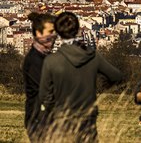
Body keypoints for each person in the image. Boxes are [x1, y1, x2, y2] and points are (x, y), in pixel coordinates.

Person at [39, 12, 124, 142]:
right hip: (87, 117)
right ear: (78, 30)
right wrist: (105, 88)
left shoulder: (52, 61)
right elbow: (116, 76)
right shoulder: (93, 56)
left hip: (61, 117)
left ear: (57, 32)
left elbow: (44, 95)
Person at [23, 12, 57, 142]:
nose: (54, 36)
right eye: (51, 32)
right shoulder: (34, 61)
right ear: (38, 33)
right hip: (40, 121)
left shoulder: (44, 57)